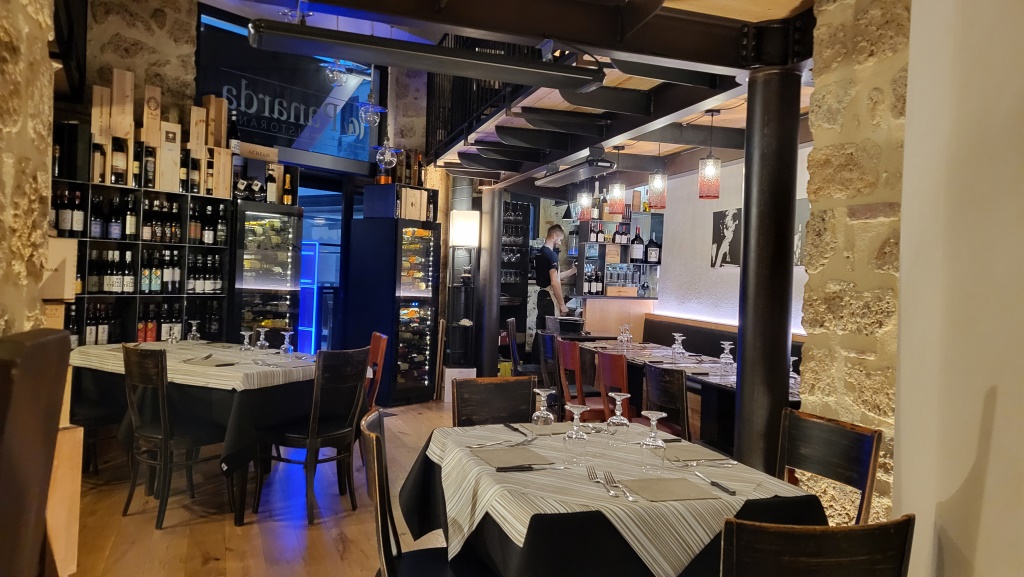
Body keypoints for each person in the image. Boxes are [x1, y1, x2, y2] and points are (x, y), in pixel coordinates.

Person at [534, 224, 576, 332]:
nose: (560, 243)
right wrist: (562, 304)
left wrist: (572, 271)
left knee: (541, 330)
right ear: (554, 236)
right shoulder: (551, 255)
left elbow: (552, 276)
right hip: (549, 297)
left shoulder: (539, 253)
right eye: (560, 240)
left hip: (541, 295)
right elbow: (554, 282)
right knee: (551, 331)